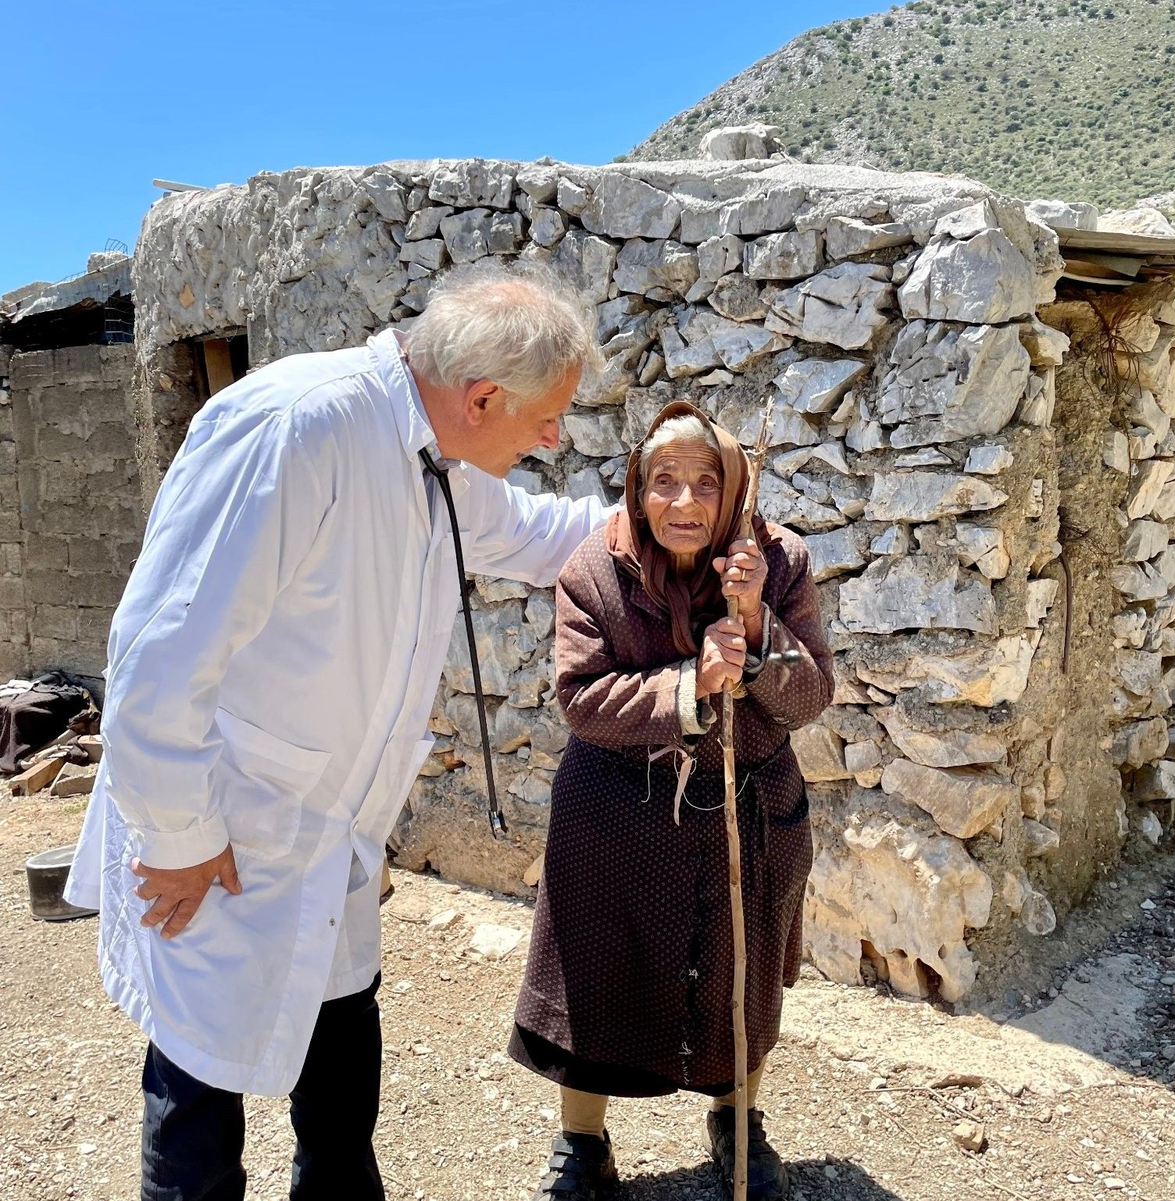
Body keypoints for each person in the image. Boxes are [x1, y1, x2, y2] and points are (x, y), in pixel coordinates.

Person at [65, 261, 613, 1201]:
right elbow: (159, 652)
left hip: (328, 848)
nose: (553, 438)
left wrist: (687, 520)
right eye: (546, 417)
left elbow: (545, 533)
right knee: (198, 1099)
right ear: (480, 396)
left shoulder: (438, 457)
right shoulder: (297, 426)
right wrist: (179, 836)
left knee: (340, 1086)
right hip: (225, 839)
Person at [509, 400, 834, 1201]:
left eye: (704, 483)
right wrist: (690, 685)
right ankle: (584, 1146)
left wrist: (755, 629)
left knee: (742, 972)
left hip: (747, 810)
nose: (683, 503)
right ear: (636, 487)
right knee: (595, 978)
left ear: (733, 492)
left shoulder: (779, 562)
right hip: (616, 815)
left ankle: (737, 1119)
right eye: (663, 482)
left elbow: (811, 694)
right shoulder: (594, 570)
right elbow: (581, 697)